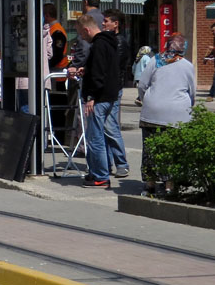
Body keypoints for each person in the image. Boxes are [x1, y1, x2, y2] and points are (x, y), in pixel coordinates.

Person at [137, 32, 196, 196]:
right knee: (172, 151)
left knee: (150, 149)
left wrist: (147, 99)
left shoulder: (155, 60)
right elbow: (192, 91)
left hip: (152, 112)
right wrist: (189, 105)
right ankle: (169, 186)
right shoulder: (187, 66)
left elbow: (142, 85)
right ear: (183, 48)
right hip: (177, 115)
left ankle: (149, 185)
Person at [74, 14, 127, 188]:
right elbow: (104, 68)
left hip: (99, 97)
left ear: (87, 29)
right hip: (109, 95)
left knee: (95, 138)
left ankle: (100, 176)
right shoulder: (110, 42)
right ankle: (97, 172)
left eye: (81, 34)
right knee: (99, 136)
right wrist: (86, 70)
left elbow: (98, 73)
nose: (82, 37)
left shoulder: (98, 45)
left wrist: (91, 97)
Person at [101, 10, 132, 177]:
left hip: (113, 88)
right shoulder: (108, 40)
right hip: (107, 88)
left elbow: (114, 67)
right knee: (104, 126)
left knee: (110, 125)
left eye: (106, 21)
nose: (103, 23)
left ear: (116, 24)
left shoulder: (119, 42)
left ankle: (121, 163)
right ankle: (106, 164)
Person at [43, 3, 68, 83]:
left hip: (57, 73)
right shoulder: (51, 29)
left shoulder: (57, 31)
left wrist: (46, 65)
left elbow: (57, 54)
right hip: (54, 71)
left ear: (47, 15)